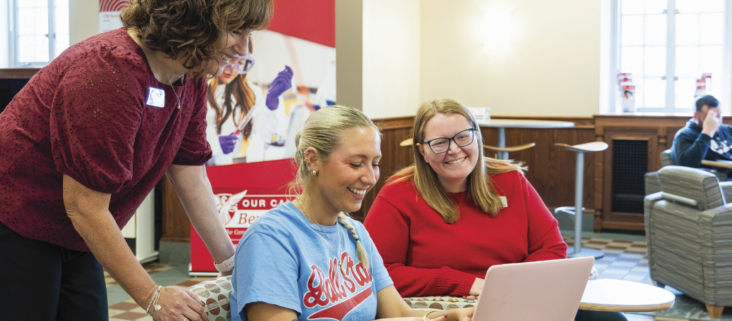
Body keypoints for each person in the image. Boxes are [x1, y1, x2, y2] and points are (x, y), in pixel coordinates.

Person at [0, 1, 273, 320]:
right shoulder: (108, 70)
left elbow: (190, 174)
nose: (243, 47)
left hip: (74, 229)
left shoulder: (191, 75)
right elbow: (85, 206)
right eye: (235, 30)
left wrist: (233, 268)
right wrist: (153, 296)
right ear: (194, 20)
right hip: (7, 218)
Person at [363, 98, 625, 321]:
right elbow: (378, 271)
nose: (454, 149)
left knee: (612, 319)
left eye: (463, 137)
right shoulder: (398, 194)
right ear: (422, 152)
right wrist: (462, 283)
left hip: (519, 302)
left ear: (476, 136)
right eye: (440, 143)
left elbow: (552, 247)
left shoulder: (510, 180)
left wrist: (511, 286)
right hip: (451, 310)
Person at [230, 105, 475, 321]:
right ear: (313, 160)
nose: (370, 178)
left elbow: (399, 313)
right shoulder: (270, 238)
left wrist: (450, 316)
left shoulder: (355, 231)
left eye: (375, 163)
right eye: (356, 164)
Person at [205, 51, 292, 165]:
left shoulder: (252, 94)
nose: (232, 70)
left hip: (230, 169)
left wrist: (272, 103)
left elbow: (269, 137)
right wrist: (214, 144)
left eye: (240, 63)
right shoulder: (200, 91)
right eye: (227, 60)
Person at [670, 95, 732, 173]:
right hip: (713, 180)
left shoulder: (728, 130)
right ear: (696, 116)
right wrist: (707, 132)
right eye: (710, 117)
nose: (716, 122)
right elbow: (686, 165)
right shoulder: (684, 135)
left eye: (719, 116)